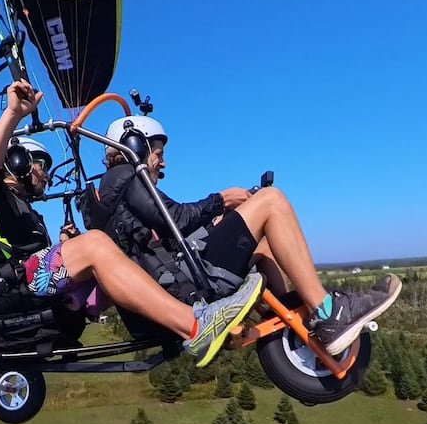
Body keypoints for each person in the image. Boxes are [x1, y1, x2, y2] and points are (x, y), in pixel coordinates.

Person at [0, 79, 266, 367]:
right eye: (40, 165)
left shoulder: (26, 212)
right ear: (17, 161)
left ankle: (181, 306)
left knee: (114, 255)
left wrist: (65, 248)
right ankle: (197, 324)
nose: (46, 174)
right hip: (7, 287)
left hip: (25, 283)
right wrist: (13, 115)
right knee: (96, 244)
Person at [96, 114, 402, 356]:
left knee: (264, 241)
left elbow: (160, 239)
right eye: (158, 154)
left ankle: (292, 321)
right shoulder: (123, 177)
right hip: (185, 285)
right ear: (134, 146)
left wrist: (218, 220)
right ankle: (327, 312)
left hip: (175, 280)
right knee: (271, 202)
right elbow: (173, 219)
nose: (162, 163)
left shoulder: (110, 194)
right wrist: (221, 200)